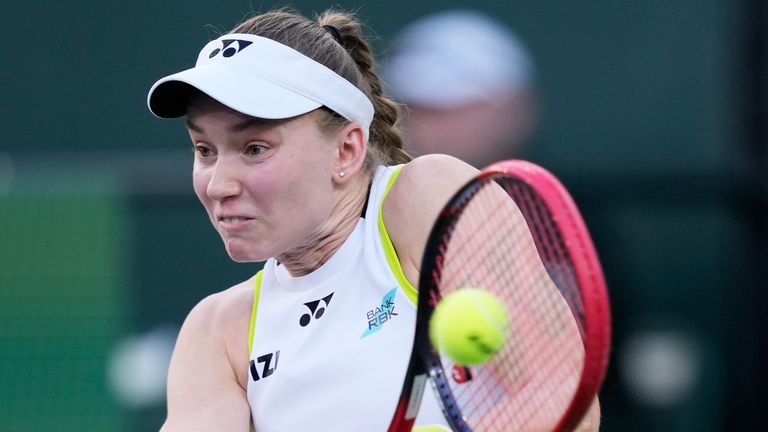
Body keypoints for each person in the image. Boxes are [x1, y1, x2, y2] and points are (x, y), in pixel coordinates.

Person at [146, 8, 598, 431]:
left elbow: (562, 399)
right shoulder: (217, 331)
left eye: (255, 149)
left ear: (347, 150)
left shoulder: (426, 199)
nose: (219, 184)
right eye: (204, 150)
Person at [384, 9, 539, 168]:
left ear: (512, 110)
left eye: (453, 106)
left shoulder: (561, 188)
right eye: (415, 108)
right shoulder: (375, 188)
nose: (428, 129)